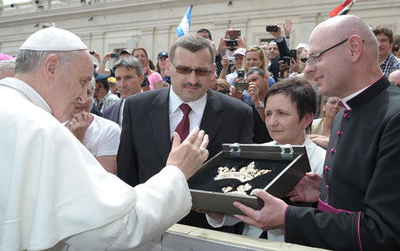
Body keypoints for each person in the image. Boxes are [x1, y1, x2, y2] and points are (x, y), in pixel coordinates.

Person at [0, 27, 210, 250]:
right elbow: (116, 229)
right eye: (82, 81)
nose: (83, 95)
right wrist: (176, 172)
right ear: (51, 68)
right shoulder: (43, 130)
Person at [232, 15, 400, 250]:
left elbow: (385, 232)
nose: (308, 68)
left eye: (316, 57)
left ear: (353, 48)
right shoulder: (343, 114)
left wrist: (288, 217)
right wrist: (324, 190)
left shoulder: (395, 118)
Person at [117, 34, 254, 232]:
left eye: (201, 71)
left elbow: (243, 186)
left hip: (210, 237)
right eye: (184, 70)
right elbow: (127, 176)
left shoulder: (238, 114)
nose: (192, 79)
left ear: (213, 71)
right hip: (149, 233)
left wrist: (218, 214)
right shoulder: (136, 108)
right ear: (168, 68)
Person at [206, 77, 326, 241]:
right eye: (268, 113)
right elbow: (241, 209)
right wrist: (213, 209)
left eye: (282, 114)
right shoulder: (256, 154)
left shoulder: (323, 161)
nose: (272, 122)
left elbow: (326, 222)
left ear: (306, 118)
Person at [66, 77, 121, 174]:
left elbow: (104, 178)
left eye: (88, 93)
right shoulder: (50, 123)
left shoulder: (109, 130)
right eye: (76, 93)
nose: (83, 100)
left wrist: (78, 139)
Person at [103, 57, 144, 127]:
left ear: (141, 78)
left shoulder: (157, 109)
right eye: (118, 79)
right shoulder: (108, 112)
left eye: (128, 78)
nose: (123, 84)